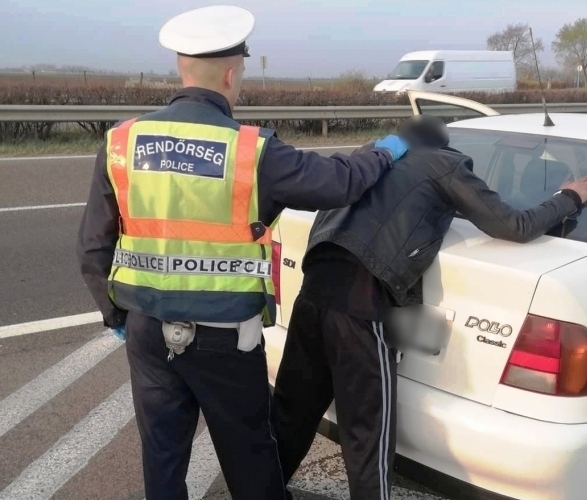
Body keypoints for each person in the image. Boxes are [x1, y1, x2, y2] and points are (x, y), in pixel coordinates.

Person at [75, 6, 409, 500]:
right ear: (231, 75)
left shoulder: (123, 142)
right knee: (250, 456)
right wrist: (382, 153)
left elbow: (92, 245)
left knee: (162, 458)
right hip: (226, 338)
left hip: (146, 329)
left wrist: (116, 314)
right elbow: (339, 183)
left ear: (182, 68)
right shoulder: (252, 151)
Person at [271, 115, 587, 500]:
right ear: (443, 146)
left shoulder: (368, 155)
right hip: (362, 307)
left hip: (313, 293)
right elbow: (514, 224)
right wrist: (569, 197)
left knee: (290, 415)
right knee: (368, 438)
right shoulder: (445, 164)